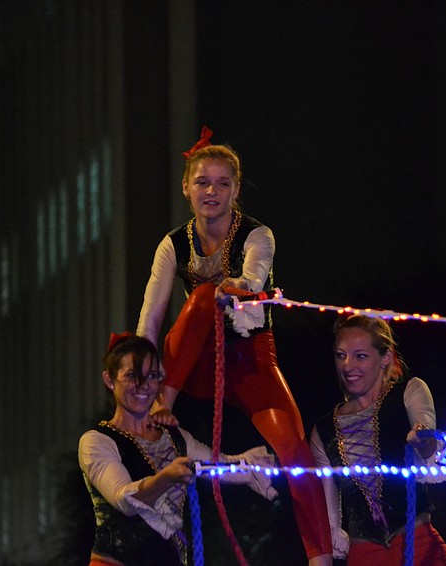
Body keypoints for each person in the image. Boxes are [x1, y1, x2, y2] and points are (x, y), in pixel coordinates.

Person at [136, 126, 333, 565]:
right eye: (202, 182)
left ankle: (320, 558)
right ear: (186, 187)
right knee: (202, 297)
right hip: (197, 363)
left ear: (236, 190)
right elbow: (151, 315)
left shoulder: (258, 235)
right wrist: (144, 378)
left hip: (251, 358)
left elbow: (254, 276)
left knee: (296, 451)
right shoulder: (173, 245)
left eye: (222, 184)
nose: (212, 192)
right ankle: (163, 401)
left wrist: (241, 286)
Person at [78, 332, 278, 566]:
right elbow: (124, 500)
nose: (143, 385)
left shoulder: (176, 437)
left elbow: (223, 466)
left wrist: (273, 464)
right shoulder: (97, 441)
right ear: (110, 380)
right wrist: (167, 477)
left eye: (151, 376)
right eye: (132, 375)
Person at [309, 314, 446, 566]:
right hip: (364, 557)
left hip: (418, 544)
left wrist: (421, 438)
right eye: (340, 355)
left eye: (360, 356)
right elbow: (327, 517)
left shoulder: (409, 392)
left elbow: (429, 441)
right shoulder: (323, 431)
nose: (347, 365)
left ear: (385, 357)